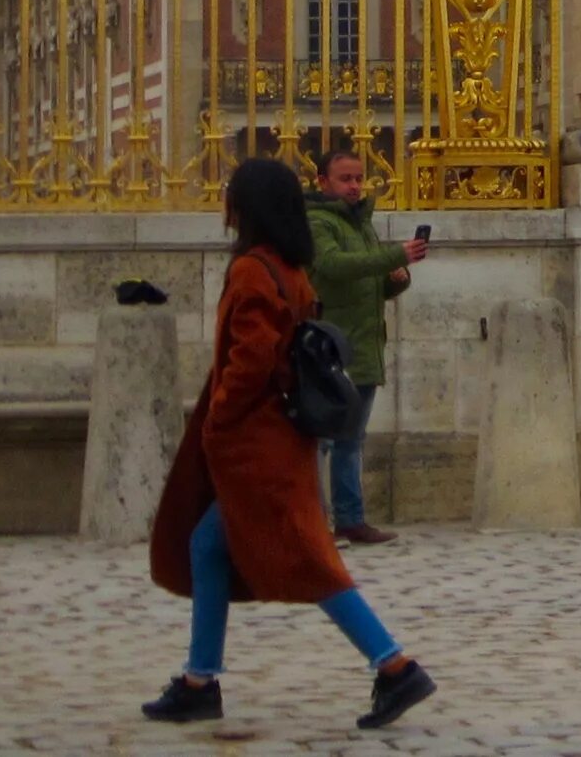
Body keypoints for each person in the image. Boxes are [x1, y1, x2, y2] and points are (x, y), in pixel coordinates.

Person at [142, 158, 435, 732]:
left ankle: (395, 666)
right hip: (279, 436)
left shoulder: (254, 270)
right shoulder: (290, 266)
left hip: (255, 443)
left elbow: (250, 360)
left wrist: (217, 421)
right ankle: (200, 679)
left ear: (246, 207)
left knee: (309, 559)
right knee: (207, 545)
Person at [304, 146, 426, 546]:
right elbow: (333, 268)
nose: (355, 186)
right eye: (346, 179)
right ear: (323, 182)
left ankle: (350, 519)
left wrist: (397, 275)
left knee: (351, 440)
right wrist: (390, 255)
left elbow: (370, 281)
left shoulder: (362, 223)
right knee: (320, 441)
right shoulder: (318, 222)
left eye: (359, 178)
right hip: (331, 348)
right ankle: (313, 522)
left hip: (364, 346)